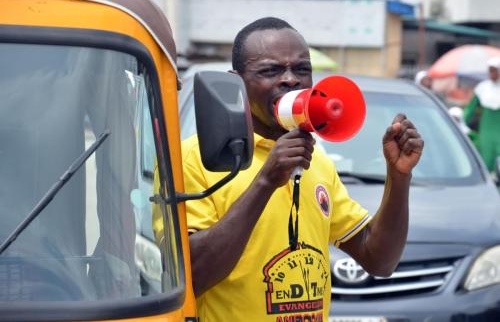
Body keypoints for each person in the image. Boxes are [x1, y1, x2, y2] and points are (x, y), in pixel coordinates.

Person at [182, 17, 424, 321]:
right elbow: (194, 275)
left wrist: (399, 176)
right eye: (270, 70)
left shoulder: (317, 162)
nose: (290, 80)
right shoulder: (196, 157)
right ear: (236, 83)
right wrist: (267, 181)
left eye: (301, 69)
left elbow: (379, 260)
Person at [464, 56, 500, 173]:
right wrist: (462, 123)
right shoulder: (483, 88)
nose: (491, 73)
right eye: (490, 70)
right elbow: (470, 110)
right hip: (486, 131)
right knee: (486, 158)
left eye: (494, 70)